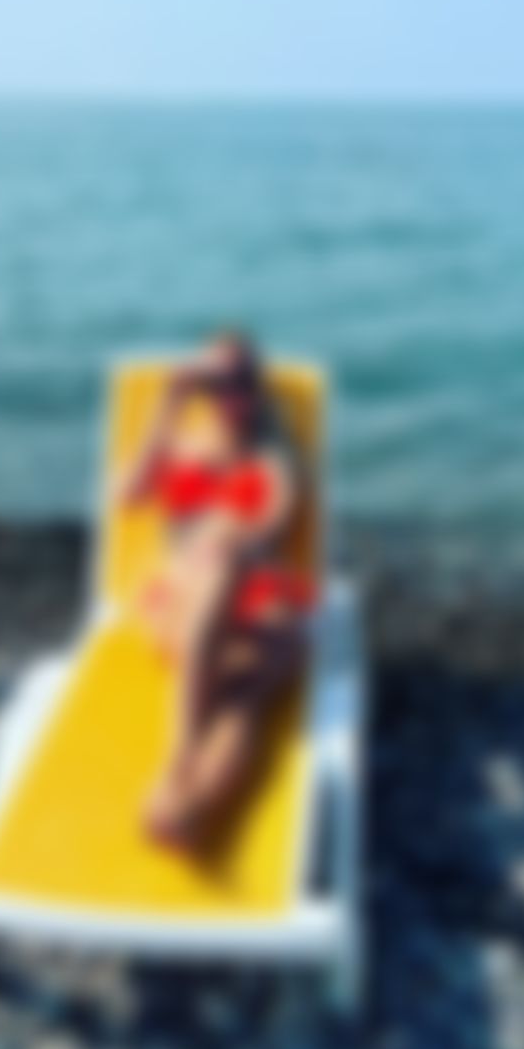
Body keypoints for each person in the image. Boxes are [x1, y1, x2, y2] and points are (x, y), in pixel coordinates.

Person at [118, 330, 315, 853]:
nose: (233, 394)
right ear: (203, 389)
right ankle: (190, 781)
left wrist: (237, 541)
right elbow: (127, 495)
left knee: (225, 561)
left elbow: (277, 515)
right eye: (218, 382)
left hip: (258, 601)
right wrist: (169, 400)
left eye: (244, 379)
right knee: (240, 696)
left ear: (258, 385)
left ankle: (184, 792)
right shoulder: (180, 440)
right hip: (184, 602)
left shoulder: (272, 450)